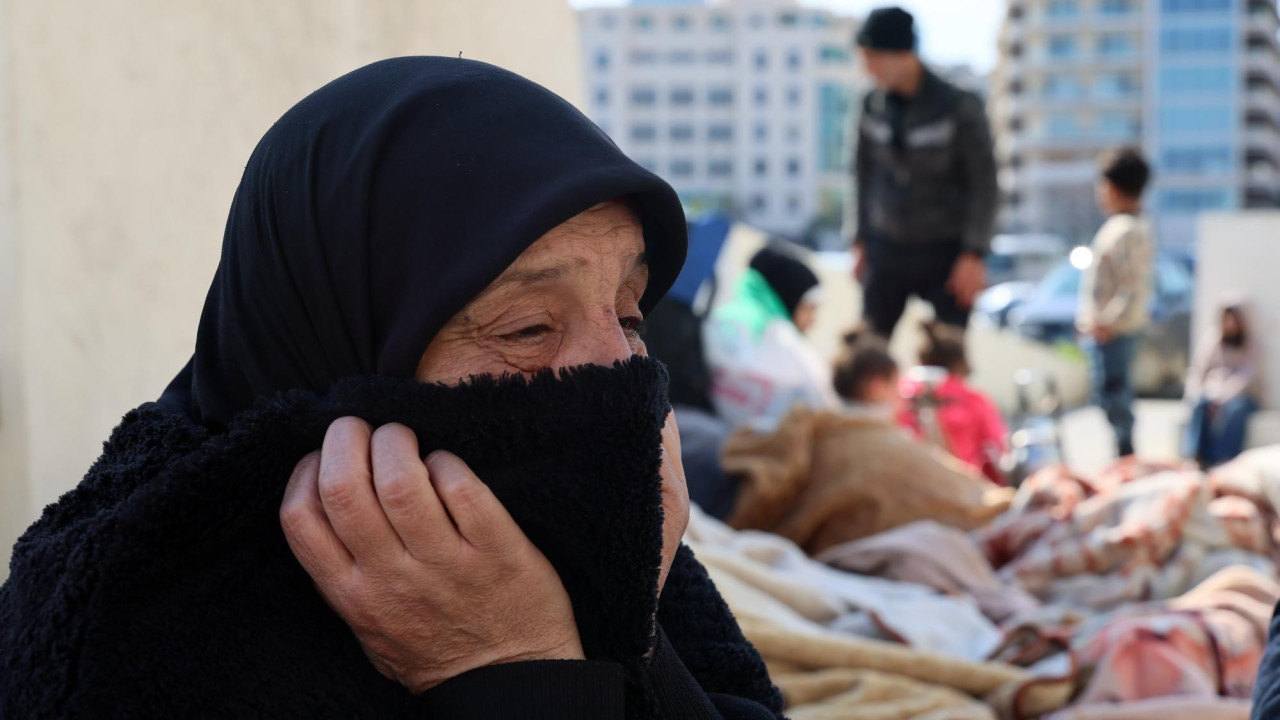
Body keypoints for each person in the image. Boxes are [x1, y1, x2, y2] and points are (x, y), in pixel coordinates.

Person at [0, 58, 783, 719]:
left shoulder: (591, 523)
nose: (620, 374)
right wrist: (517, 670)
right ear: (339, 340)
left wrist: (623, 620)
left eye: (630, 315)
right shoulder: (136, 624)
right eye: (527, 330)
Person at [847, 6, 997, 340]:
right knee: (868, 352)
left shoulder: (959, 104)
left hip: (946, 250)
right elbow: (861, 174)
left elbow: (984, 184)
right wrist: (857, 239)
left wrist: (974, 253)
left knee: (948, 355)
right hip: (886, 247)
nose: (866, 67)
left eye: (873, 56)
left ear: (903, 55)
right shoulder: (870, 104)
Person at [705, 242, 840, 431]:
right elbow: (826, 406)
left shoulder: (719, 318)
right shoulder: (779, 336)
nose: (812, 321)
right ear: (788, 296)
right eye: (809, 308)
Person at [1077, 147, 1154, 459]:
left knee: (1115, 397)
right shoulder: (1125, 227)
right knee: (1110, 395)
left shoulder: (1127, 229)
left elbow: (1131, 285)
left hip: (1115, 331)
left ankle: (1126, 457)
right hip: (1109, 329)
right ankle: (1123, 454)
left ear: (1112, 187)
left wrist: (1107, 321)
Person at [898, 321, 1008, 485]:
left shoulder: (898, 395)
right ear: (959, 363)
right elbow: (998, 449)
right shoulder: (973, 399)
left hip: (906, 490)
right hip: (963, 492)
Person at [1184, 297, 1263, 468]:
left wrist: (1223, 396)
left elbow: (1246, 377)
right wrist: (1200, 392)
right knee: (1199, 403)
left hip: (1242, 396)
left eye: (1233, 319)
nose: (1229, 324)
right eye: (1226, 319)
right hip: (1211, 392)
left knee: (1236, 409)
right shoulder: (1213, 340)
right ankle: (1195, 456)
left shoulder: (1251, 344)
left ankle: (1223, 460)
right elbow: (1199, 371)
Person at [832, 329, 902, 414]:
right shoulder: (874, 423)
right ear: (876, 387)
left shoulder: (828, 418)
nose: (897, 393)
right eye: (893, 384)